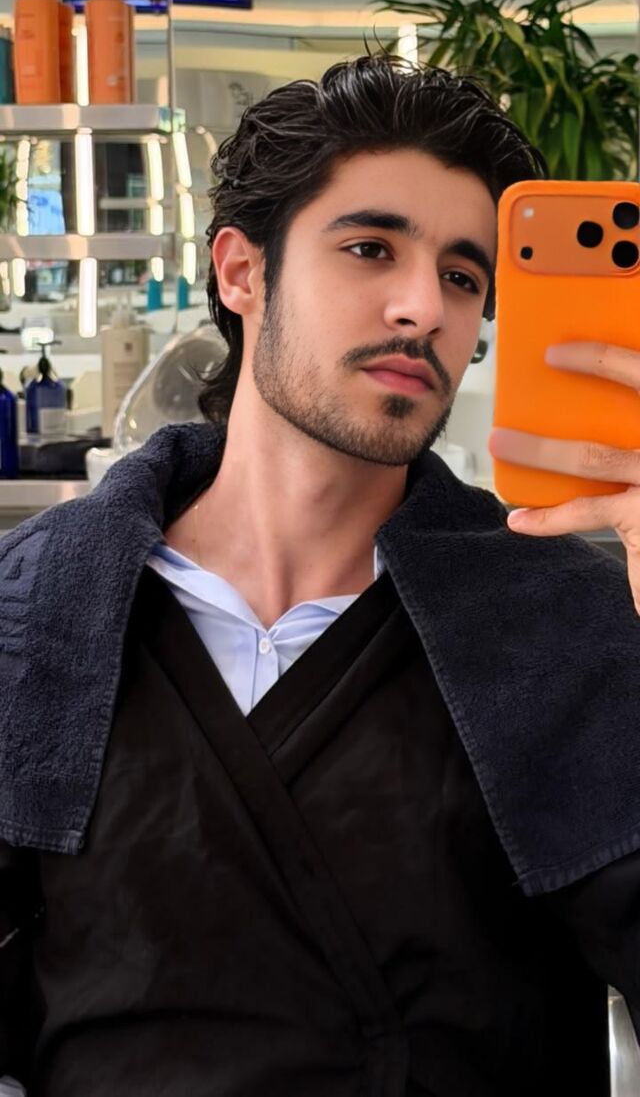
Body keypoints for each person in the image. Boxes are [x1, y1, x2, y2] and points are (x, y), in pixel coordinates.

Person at [1, 53, 640, 1097]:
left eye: (462, 275)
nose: (422, 308)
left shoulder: (563, 621)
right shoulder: (36, 610)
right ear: (241, 273)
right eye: (370, 247)